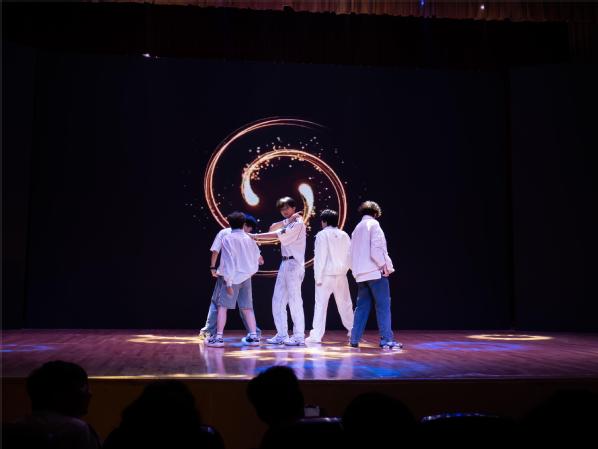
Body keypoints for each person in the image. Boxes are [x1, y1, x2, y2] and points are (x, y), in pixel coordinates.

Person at [6, 360, 101, 449]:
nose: (90, 394)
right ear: (64, 395)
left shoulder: (13, 427)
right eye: (84, 388)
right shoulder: (79, 430)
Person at [251, 196, 306, 346]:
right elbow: (272, 228)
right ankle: (282, 334)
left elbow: (276, 234)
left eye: (287, 208)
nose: (285, 211)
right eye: (282, 209)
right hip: (285, 263)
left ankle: (299, 336)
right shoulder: (289, 222)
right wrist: (287, 220)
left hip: (294, 264)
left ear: (294, 208)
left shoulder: (299, 224)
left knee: (295, 301)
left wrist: (255, 236)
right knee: (278, 300)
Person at [199, 214, 263, 343]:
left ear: (229, 223)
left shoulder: (227, 237)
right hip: (246, 277)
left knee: (222, 306)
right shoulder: (249, 238)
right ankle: (254, 335)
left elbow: (227, 262)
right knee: (247, 307)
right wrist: (249, 272)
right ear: (243, 224)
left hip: (230, 278)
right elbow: (260, 260)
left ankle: (218, 337)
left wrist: (228, 281)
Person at [349, 201, 402, 349]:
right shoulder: (374, 225)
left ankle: (354, 339)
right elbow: (377, 249)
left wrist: (355, 271)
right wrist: (384, 266)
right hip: (374, 272)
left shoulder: (356, 229)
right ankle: (387, 340)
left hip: (361, 274)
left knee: (361, 308)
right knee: (383, 306)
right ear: (375, 213)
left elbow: (350, 253)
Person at [305, 209, 354, 344]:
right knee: (345, 304)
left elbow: (320, 257)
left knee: (320, 306)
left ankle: (316, 336)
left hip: (325, 275)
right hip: (341, 275)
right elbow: (350, 255)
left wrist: (318, 277)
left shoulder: (322, 235)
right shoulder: (344, 234)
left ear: (324, 221)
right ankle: (353, 331)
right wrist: (353, 271)